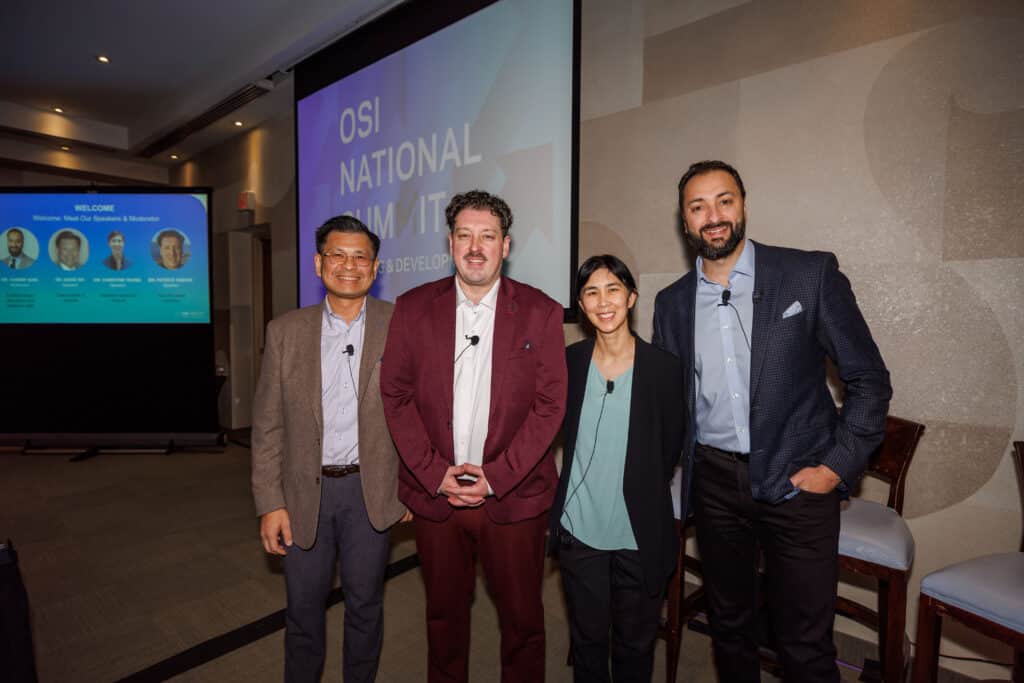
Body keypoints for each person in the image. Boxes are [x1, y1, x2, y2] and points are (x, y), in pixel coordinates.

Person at [652, 160, 892, 682]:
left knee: (804, 645)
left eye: (724, 201)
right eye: (698, 207)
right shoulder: (671, 304)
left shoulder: (808, 274)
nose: (713, 216)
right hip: (715, 486)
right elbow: (669, 405)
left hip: (799, 484)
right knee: (730, 630)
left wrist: (834, 467)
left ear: (743, 205)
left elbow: (869, 381)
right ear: (684, 220)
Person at [381, 190, 568, 683]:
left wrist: (497, 477)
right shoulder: (412, 308)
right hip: (436, 496)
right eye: (464, 235)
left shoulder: (541, 312)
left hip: (513, 497)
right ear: (450, 243)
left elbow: (550, 406)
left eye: (488, 236)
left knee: (522, 622)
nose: (475, 247)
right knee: (443, 618)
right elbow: (395, 395)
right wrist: (432, 472)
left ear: (506, 245)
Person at [251, 215, 409, 682]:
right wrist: (270, 502)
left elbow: (418, 412)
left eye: (360, 257)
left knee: (366, 605)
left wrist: (411, 486)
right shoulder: (285, 331)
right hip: (303, 493)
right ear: (319, 264)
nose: (349, 265)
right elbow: (267, 425)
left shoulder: (401, 325)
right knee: (303, 610)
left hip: (370, 491)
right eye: (337, 255)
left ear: (375, 268)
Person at [550, 255, 684, 683]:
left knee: (635, 646)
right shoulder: (568, 363)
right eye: (591, 292)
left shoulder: (665, 370)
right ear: (581, 305)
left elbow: (671, 448)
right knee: (588, 644)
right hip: (579, 529)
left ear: (631, 298)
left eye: (613, 290)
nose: (603, 301)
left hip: (638, 534)